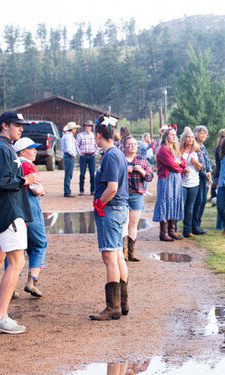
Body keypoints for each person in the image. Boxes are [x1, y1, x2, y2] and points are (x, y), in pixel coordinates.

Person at [0, 110, 39, 334]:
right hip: (7, 213)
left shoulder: (2, 148)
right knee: (16, 263)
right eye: (17, 125)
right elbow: (1, 181)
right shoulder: (1, 148)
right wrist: (26, 179)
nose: (21, 129)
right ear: (4, 125)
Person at [89, 115, 130, 321]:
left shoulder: (111, 156)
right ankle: (122, 303)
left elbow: (112, 187)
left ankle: (113, 306)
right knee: (118, 256)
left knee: (110, 258)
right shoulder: (117, 154)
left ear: (98, 135)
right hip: (118, 210)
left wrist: (99, 203)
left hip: (111, 210)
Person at [12, 138, 48, 298]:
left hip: (15, 209)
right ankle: (32, 281)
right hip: (31, 208)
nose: (35, 151)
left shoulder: (12, 164)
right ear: (22, 151)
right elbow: (35, 188)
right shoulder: (28, 165)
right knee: (39, 244)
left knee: (15, 248)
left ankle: (11, 285)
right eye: (31, 148)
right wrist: (41, 190)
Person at [153, 127, 186, 241]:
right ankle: (163, 232)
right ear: (166, 136)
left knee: (174, 202)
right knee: (165, 202)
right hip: (166, 180)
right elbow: (172, 165)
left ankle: (172, 231)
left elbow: (184, 162)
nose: (174, 137)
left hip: (176, 181)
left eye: (175, 135)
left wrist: (180, 163)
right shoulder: (163, 150)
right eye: (171, 134)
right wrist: (180, 166)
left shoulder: (175, 149)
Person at [123, 135, 153, 261]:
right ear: (124, 147)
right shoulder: (120, 160)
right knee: (124, 223)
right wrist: (124, 170)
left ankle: (131, 253)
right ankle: (123, 253)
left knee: (133, 223)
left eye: (134, 144)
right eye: (129, 144)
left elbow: (150, 177)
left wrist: (141, 171)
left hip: (137, 195)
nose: (132, 146)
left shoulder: (142, 160)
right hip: (122, 196)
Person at [179, 128, 204, 238]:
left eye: (192, 137)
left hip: (194, 182)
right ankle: (174, 229)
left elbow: (202, 167)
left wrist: (195, 163)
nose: (190, 139)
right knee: (181, 205)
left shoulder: (197, 151)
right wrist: (182, 169)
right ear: (184, 139)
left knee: (190, 207)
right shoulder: (179, 151)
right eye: (188, 137)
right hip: (182, 182)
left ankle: (187, 230)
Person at [192, 125, 213, 235]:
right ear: (196, 134)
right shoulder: (194, 146)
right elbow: (197, 164)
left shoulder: (203, 146)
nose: (204, 135)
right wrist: (205, 174)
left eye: (205, 134)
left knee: (203, 201)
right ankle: (194, 226)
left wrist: (209, 172)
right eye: (201, 133)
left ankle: (198, 225)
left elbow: (207, 161)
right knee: (198, 201)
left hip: (205, 177)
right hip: (198, 177)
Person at [76, 120, 97, 195]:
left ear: (91, 127)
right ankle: (81, 190)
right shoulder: (80, 135)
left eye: (89, 126)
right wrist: (80, 153)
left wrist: (95, 152)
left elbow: (97, 145)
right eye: (86, 126)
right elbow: (77, 145)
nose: (87, 127)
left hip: (92, 156)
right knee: (82, 174)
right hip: (83, 156)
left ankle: (93, 190)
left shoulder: (94, 135)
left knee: (92, 174)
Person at [61, 122, 80, 197]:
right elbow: (69, 148)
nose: (75, 130)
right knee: (69, 174)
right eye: (74, 128)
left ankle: (67, 190)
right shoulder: (68, 137)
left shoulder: (66, 136)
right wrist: (73, 154)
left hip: (67, 156)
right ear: (72, 129)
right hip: (69, 156)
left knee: (68, 174)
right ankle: (67, 191)